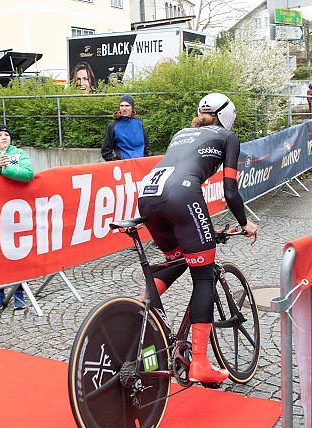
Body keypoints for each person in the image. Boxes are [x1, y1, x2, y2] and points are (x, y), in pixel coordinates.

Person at [137, 93, 257, 384]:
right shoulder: (229, 137)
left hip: (148, 196)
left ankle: (139, 308)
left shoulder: (182, 133)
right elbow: (230, 191)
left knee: (178, 259)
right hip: (182, 194)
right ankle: (200, 364)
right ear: (227, 116)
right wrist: (244, 223)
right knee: (203, 276)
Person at [0, 124, 34, 311]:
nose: (4, 137)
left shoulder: (19, 154)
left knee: (18, 252)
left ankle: (19, 291)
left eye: (7, 135)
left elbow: (28, 174)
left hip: (17, 209)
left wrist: (6, 169)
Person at [101, 94, 150, 161]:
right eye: (121, 106)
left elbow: (146, 144)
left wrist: (147, 158)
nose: (124, 108)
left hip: (142, 164)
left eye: (127, 106)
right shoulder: (113, 126)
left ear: (132, 107)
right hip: (124, 167)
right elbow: (106, 151)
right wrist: (117, 163)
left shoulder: (138, 122)